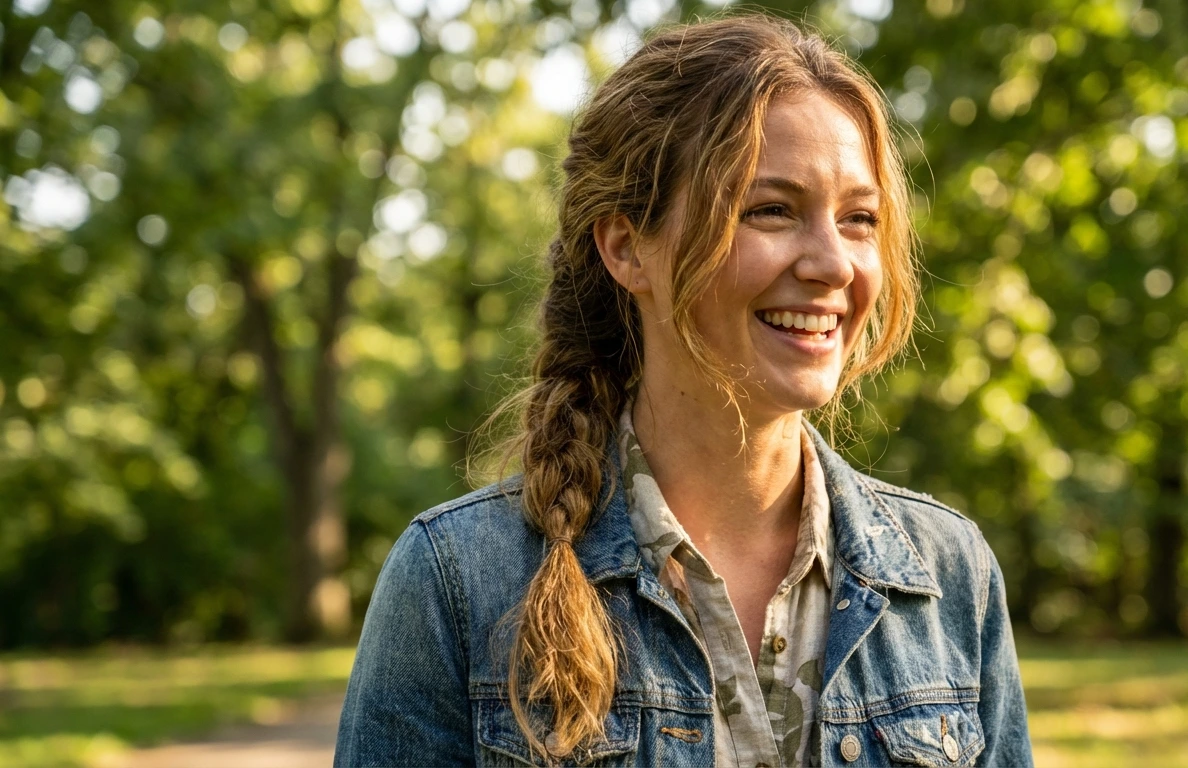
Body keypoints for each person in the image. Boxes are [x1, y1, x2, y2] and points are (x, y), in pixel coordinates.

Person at [335, 12, 1032, 767]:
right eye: (771, 210)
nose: (834, 263)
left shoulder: (949, 577)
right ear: (628, 247)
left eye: (859, 219)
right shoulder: (456, 582)